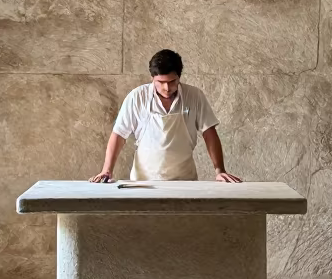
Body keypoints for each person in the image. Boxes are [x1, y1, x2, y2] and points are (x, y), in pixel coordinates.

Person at [89, 49, 243, 183]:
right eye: (160, 82)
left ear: (179, 77)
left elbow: (209, 133)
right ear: (152, 78)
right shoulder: (137, 97)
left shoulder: (194, 96)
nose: (166, 88)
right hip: (143, 182)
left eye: (172, 81)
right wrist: (106, 170)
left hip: (185, 181)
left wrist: (219, 170)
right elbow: (119, 135)